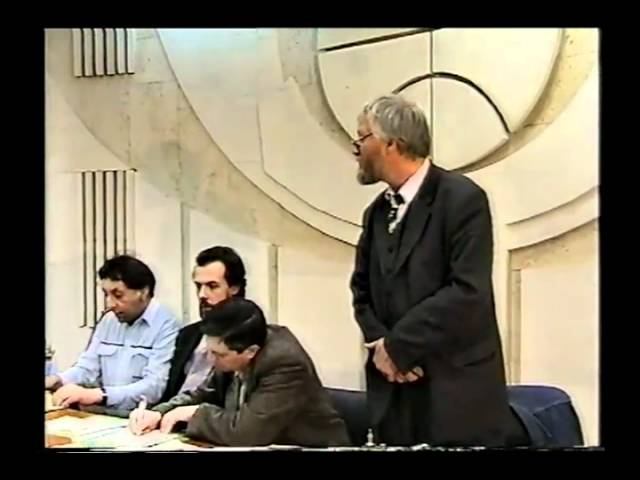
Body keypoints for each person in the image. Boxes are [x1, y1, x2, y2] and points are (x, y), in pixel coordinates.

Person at [350, 94, 529, 447]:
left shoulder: (462, 199)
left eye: (362, 137)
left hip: (455, 397)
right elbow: (361, 290)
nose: (355, 149)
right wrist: (383, 349)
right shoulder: (375, 213)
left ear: (391, 143)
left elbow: (467, 291)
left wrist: (398, 347)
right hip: (394, 396)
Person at [129, 297, 350, 447]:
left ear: (250, 351)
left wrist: (195, 413)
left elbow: (246, 434)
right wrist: (159, 412)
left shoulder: (285, 364)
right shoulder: (233, 347)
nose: (211, 360)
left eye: (219, 355)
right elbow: (204, 393)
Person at [45, 255, 180, 412]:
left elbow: (153, 387)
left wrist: (99, 395)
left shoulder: (167, 324)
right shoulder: (108, 320)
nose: (110, 303)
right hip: (102, 413)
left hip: (140, 418)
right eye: (106, 294)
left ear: (143, 292)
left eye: (118, 295)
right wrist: (57, 380)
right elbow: (88, 368)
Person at [160, 246, 247, 402]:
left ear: (235, 288)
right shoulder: (188, 335)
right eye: (198, 286)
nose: (202, 295)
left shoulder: (249, 340)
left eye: (212, 286)